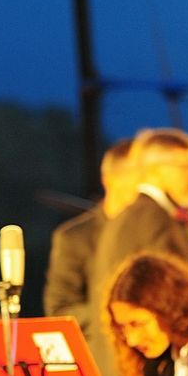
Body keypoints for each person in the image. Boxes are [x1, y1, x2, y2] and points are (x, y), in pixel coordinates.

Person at [87, 129, 188, 376]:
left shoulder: (130, 216)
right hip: (142, 371)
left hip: (122, 367)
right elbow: (184, 294)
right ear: (158, 170)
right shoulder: (154, 219)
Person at [43, 137, 139, 340]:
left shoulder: (159, 230)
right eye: (140, 176)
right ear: (111, 179)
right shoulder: (74, 237)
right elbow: (60, 309)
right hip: (104, 351)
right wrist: (118, 312)